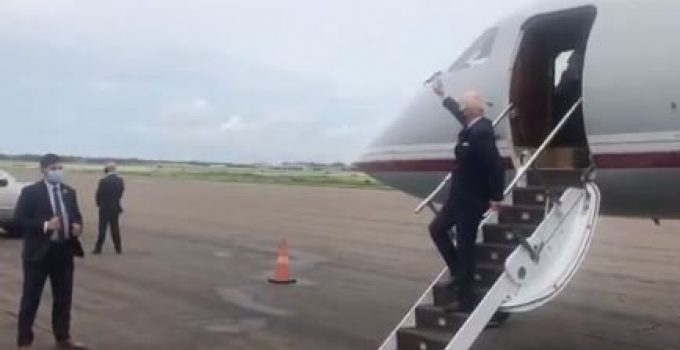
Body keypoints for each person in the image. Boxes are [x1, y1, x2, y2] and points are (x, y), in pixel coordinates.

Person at [428, 81, 505, 312]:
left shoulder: (482, 131)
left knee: (465, 248)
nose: (461, 108)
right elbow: (457, 114)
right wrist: (444, 96)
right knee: (437, 229)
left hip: (471, 201)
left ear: (477, 109)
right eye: (461, 105)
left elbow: (495, 165)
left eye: (464, 105)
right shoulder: (472, 126)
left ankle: (465, 301)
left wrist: (496, 197)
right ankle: (458, 273)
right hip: (458, 197)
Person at [14, 154, 88, 350]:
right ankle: (24, 341)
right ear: (44, 170)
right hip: (37, 254)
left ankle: (63, 337)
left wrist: (78, 227)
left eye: (60, 167)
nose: (58, 171)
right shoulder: (31, 192)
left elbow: (77, 216)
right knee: (31, 298)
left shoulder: (69, 192)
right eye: (54, 168)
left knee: (63, 298)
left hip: (63, 252)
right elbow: (19, 219)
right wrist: (46, 225)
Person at [92, 162, 125, 254]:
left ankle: (98, 249)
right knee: (115, 228)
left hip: (104, 207)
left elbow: (98, 194)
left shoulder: (103, 180)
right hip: (115, 207)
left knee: (102, 228)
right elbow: (120, 193)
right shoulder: (120, 180)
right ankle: (118, 248)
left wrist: (99, 204)